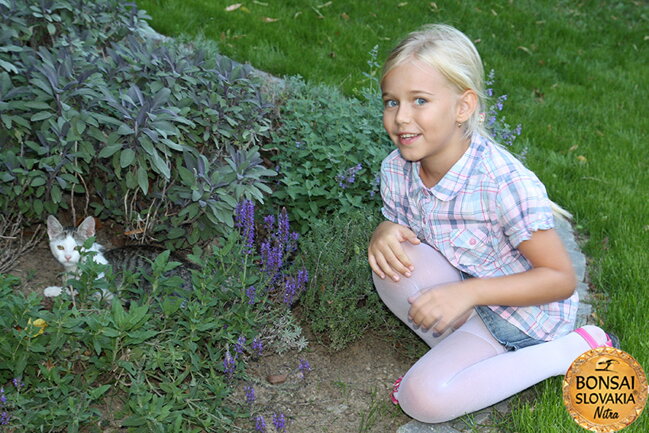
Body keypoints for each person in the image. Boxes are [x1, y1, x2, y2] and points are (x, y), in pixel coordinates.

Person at [367, 23, 617, 423]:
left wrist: (470, 294)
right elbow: (402, 231)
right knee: (391, 259)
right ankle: (469, 365)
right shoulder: (396, 170)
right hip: (470, 294)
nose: (401, 118)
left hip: (525, 317)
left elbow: (559, 279)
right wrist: (384, 231)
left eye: (419, 100)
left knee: (423, 400)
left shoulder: (503, 184)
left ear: (463, 107)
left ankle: (568, 351)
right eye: (391, 102)